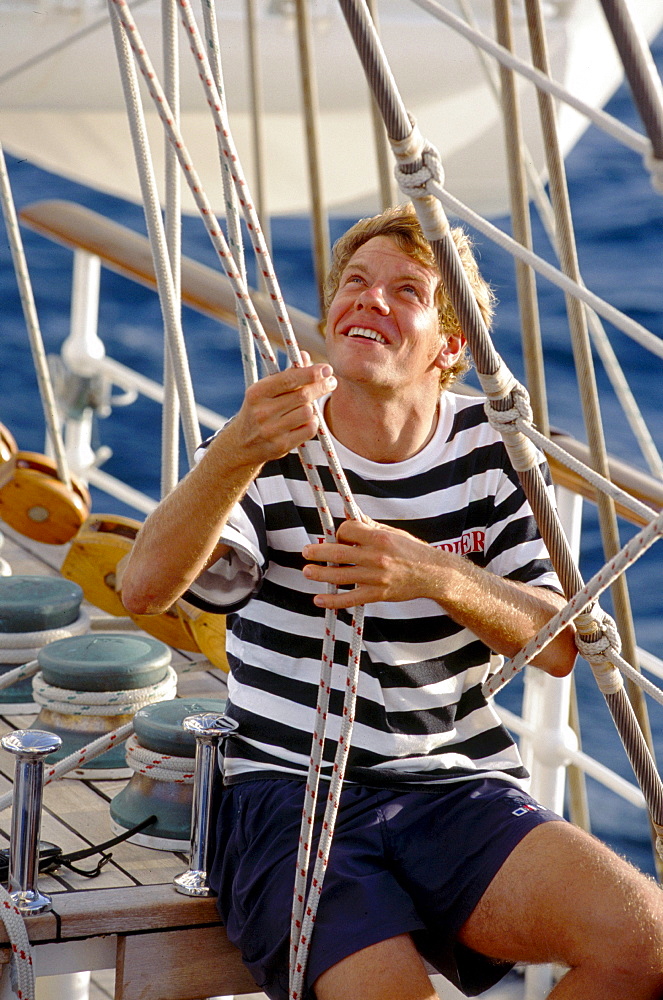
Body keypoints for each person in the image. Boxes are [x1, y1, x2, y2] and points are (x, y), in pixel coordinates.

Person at [121, 204, 663, 1000]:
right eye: (354, 283)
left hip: (453, 785)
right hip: (285, 788)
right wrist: (234, 448)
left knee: (642, 942)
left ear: (448, 347)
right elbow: (144, 589)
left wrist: (431, 574)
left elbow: (553, 645)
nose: (368, 300)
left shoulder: (492, 451)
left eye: (404, 289)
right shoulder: (264, 443)